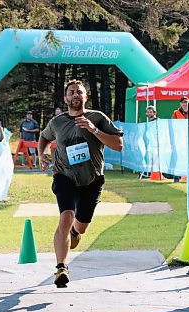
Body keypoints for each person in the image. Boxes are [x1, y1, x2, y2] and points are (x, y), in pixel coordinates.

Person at [38, 79, 123, 288]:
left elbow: (119, 145)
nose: (75, 95)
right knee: (66, 217)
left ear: (86, 97)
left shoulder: (98, 118)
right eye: (71, 92)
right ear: (65, 98)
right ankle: (61, 268)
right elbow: (44, 137)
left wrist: (94, 130)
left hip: (92, 179)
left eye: (79, 92)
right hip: (64, 175)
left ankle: (75, 232)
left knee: (81, 226)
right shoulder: (57, 122)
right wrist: (42, 154)